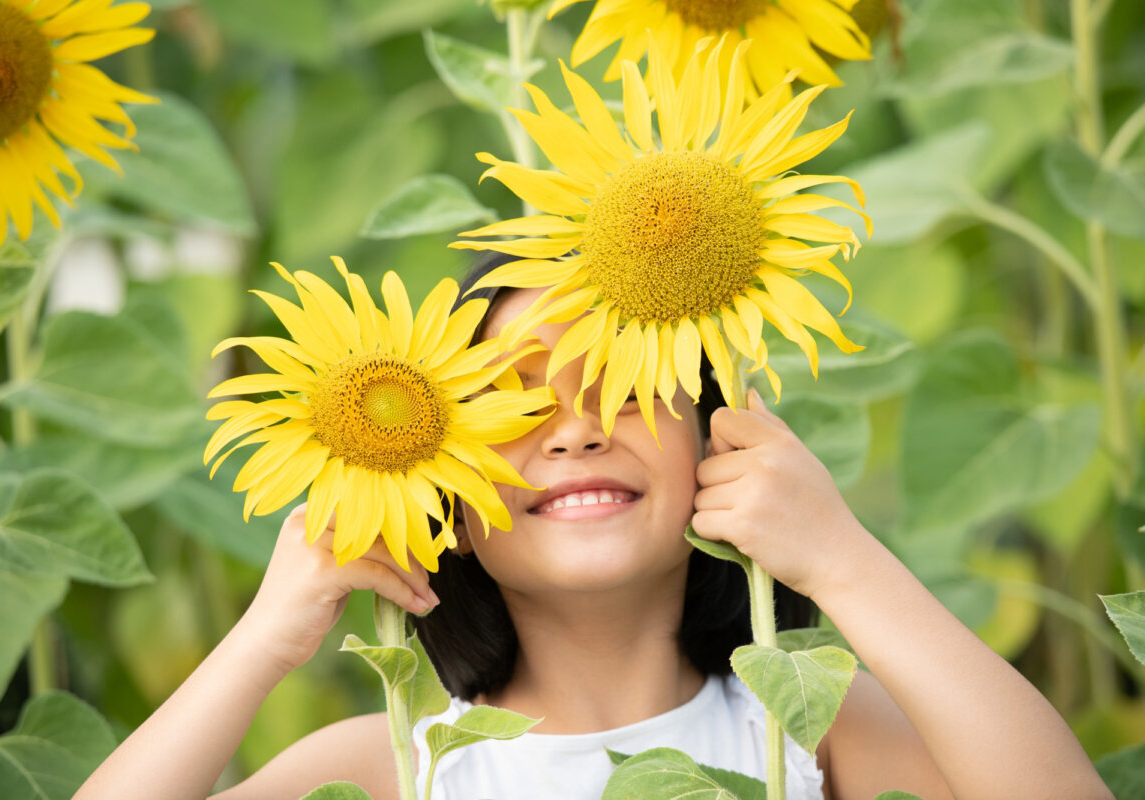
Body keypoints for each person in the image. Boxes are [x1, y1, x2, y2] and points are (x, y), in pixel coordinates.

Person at [75, 257, 1112, 800]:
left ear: (717, 440)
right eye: (513, 405)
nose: (573, 432)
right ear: (446, 503)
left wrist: (843, 557)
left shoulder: (811, 732)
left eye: (622, 385)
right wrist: (265, 638)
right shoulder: (403, 764)